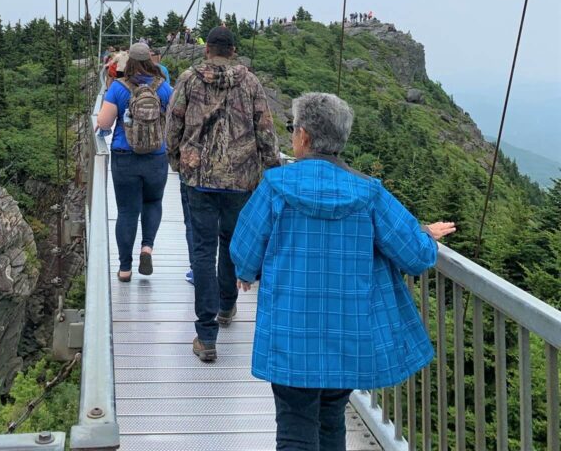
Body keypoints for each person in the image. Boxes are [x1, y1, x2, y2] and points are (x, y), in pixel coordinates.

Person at [230, 92, 456, 451]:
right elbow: (415, 256)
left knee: (294, 425)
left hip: (290, 331)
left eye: (292, 129)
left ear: (303, 136)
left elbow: (243, 247)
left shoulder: (276, 186)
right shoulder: (369, 193)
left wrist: (246, 271)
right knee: (331, 417)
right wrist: (425, 234)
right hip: (347, 333)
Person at [166, 25, 280, 362]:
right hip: (240, 179)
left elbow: (173, 122)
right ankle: (228, 306)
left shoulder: (188, 78)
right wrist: (271, 169)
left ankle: (205, 334)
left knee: (203, 251)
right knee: (232, 242)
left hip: (198, 177)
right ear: (232, 51)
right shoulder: (250, 82)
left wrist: (176, 159)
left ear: (207, 50)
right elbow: (265, 129)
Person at [96, 42, 173, 282]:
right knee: (153, 202)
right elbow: (175, 120)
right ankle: (147, 248)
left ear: (128, 62)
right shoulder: (164, 87)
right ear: (151, 60)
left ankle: (125, 268)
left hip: (125, 156)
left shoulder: (118, 88)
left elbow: (105, 122)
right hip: (156, 157)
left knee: (127, 212)